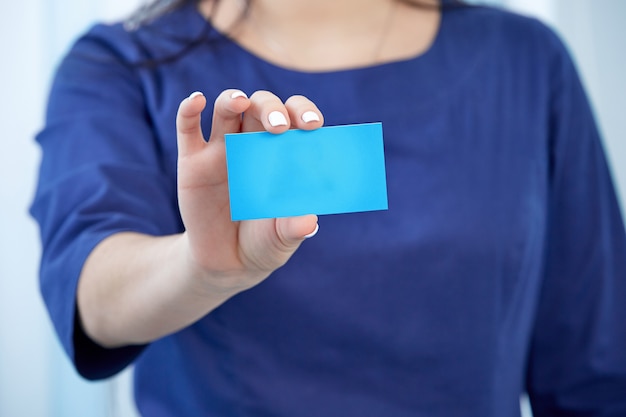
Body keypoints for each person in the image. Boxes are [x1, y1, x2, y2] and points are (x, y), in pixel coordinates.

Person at [30, 0, 626, 415]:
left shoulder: (526, 60)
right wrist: (200, 267)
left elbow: (595, 369)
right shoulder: (119, 64)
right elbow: (92, 292)